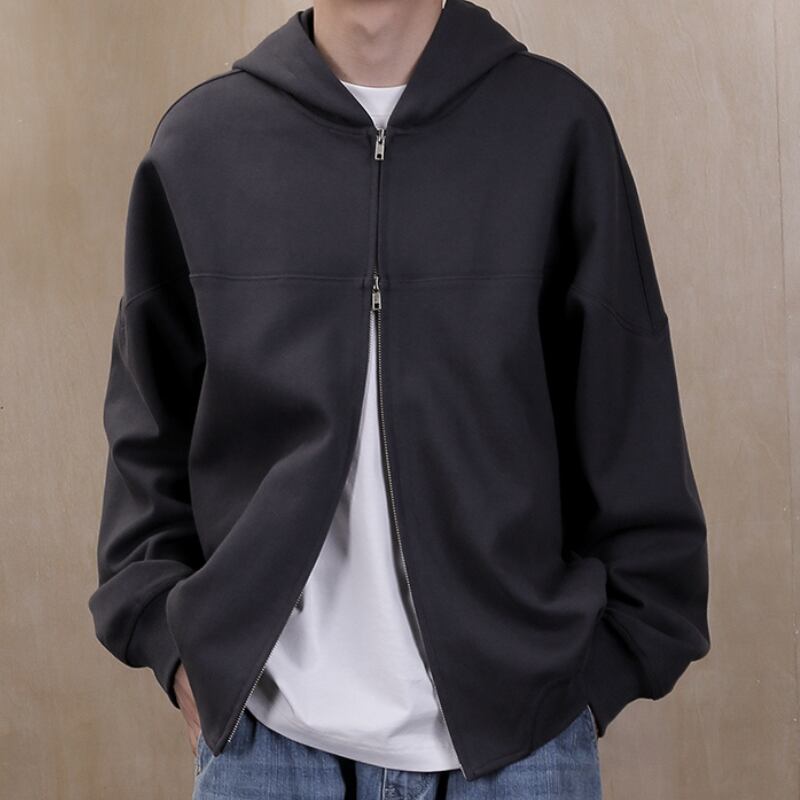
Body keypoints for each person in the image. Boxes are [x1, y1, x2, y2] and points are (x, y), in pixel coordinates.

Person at [88, 0, 711, 797]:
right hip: (269, 745)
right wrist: (175, 647)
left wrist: (600, 678)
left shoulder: (557, 130)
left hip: (522, 743)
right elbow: (148, 433)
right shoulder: (203, 143)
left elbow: (632, 423)